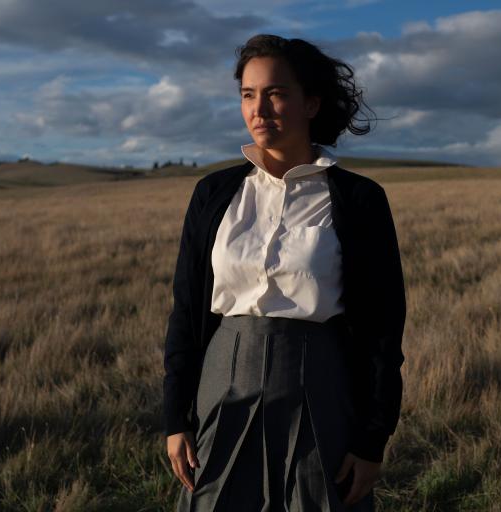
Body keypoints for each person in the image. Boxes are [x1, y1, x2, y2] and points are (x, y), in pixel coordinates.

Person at [163, 33, 406, 511]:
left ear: (311, 103)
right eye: (248, 95)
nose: (260, 108)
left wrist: (372, 439)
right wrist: (176, 418)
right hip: (222, 385)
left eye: (276, 93)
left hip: (321, 388)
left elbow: (382, 327)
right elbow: (187, 312)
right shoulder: (214, 194)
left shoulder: (359, 200)